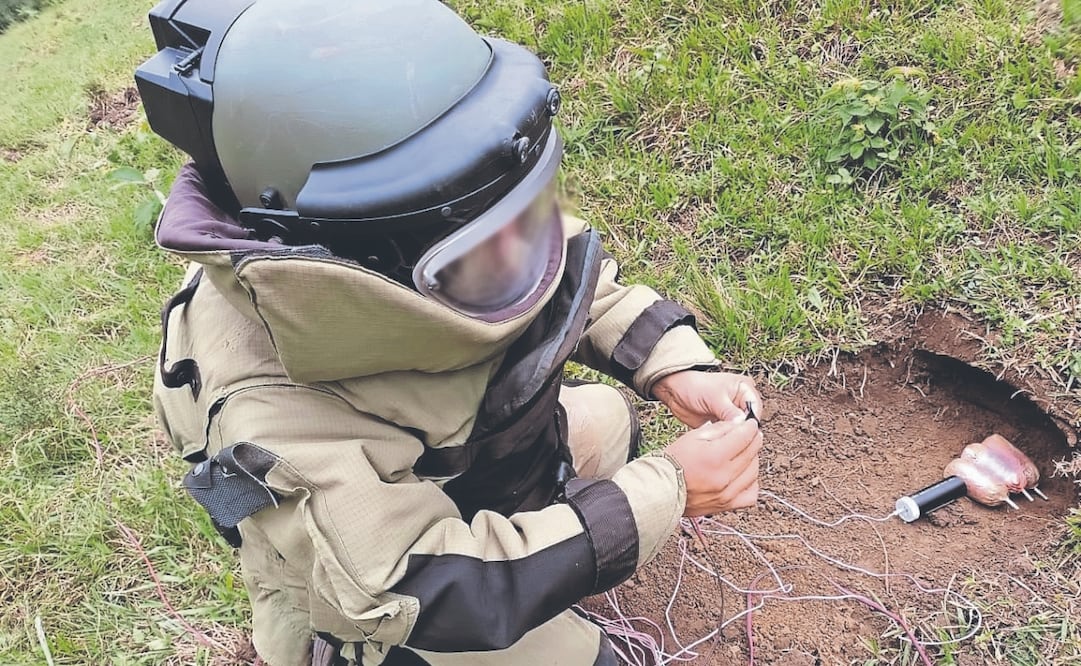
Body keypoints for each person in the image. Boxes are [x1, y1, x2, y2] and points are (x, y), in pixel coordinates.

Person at [138, 1, 763, 664]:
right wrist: (662, 493)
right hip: (381, 589)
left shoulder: (447, 221)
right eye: (486, 250)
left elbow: (567, 273)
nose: (517, 249)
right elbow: (407, 587)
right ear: (359, 253)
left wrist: (674, 364)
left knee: (605, 418)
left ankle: (536, 555)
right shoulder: (275, 408)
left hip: (456, 471)